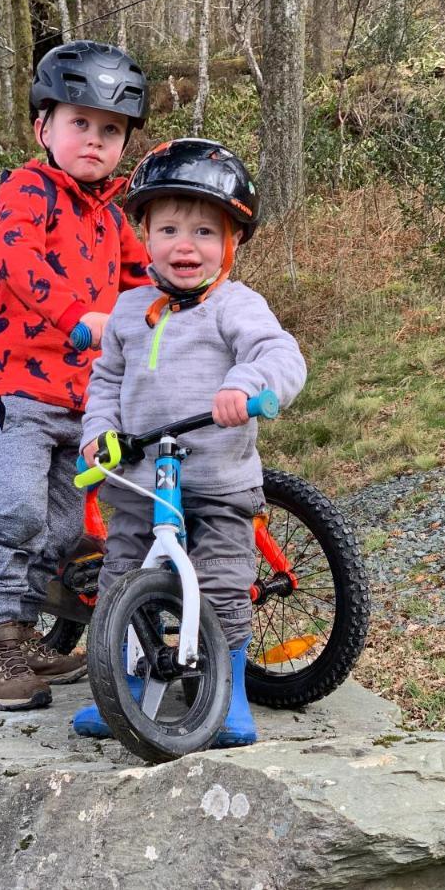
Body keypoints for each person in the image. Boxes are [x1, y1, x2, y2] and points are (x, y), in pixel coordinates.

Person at [72, 138, 307, 746]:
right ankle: (117, 685)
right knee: (123, 573)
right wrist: (98, 434)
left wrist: (245, 384)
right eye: (169, 228)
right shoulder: (127, 311)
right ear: (144, 236)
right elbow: (105, 381)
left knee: (224, 579)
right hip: (138, 481)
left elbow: (279, 355)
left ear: (230, 243)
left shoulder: (237, 305)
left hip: (217, 479)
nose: (185, 245)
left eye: (205, 232)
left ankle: (225, 696)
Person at [0, 40, 152, 711]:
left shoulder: (111, 215)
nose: (95, 141)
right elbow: (16, 262)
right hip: (16, 384)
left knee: (68, 525)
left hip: (81, 395)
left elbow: (142, 277)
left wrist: (186, 313)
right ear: (44, 127)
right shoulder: (27, 189)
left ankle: (30, 633)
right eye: (80, 124)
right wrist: (78, 316)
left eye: (111, 131)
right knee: (18, 507)